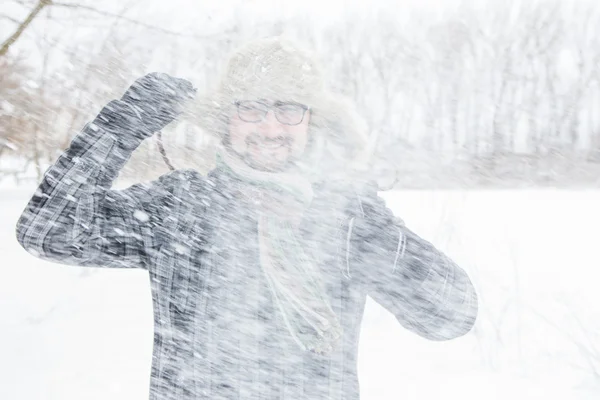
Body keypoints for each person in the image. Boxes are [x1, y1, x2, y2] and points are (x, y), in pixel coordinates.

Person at [16, 38, 478, 400]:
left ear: (312, 123)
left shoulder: (346, 215)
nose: (270, 127)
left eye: (289, 109)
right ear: (227, 121)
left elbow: (449, 316)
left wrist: (377, 234)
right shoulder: (180, 205)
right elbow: (48, 232)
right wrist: (124, 123)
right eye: (251, 108)